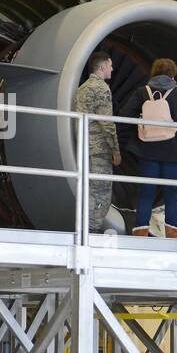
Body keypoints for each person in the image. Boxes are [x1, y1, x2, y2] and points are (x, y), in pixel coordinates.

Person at [118, 58, 177, 238]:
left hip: (146, 152)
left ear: (154, 73)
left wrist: (129, 144)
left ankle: (140, 233)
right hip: (173, 152)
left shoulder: (141, 92)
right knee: (171, 195)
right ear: (173, 74)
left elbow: (124, 119)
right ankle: (172, 234)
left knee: (145, 194)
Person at [75, 50, 120, 233]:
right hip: (99, 150)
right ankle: (91, 233)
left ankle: (85, 231)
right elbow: (107, 123)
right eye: (110, 65)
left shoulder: (83, 88)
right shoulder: (101, 88)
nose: (112, 68)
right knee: (101, 195)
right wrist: (115, 150)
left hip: (84, 148)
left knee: (89, 192)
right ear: (102, 67)